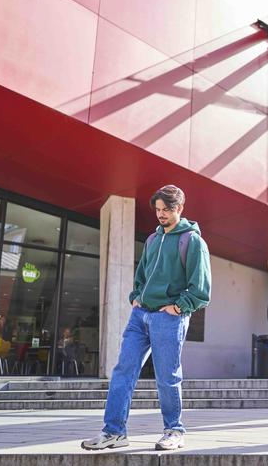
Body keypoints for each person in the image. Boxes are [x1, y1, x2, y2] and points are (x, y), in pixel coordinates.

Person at [81, 185, 211, 451]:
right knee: (122, 371)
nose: (161, 215)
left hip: (168, 318)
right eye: (158, 210)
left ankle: (174, 431)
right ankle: (114, 432)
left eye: (166, 210)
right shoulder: (153, 239)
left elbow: (201, 289)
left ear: (180, 209)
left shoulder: (192, 241)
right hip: (140, 316)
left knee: (167, 376)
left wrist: (178, 307)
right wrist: (136, 296)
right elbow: (141, 274)